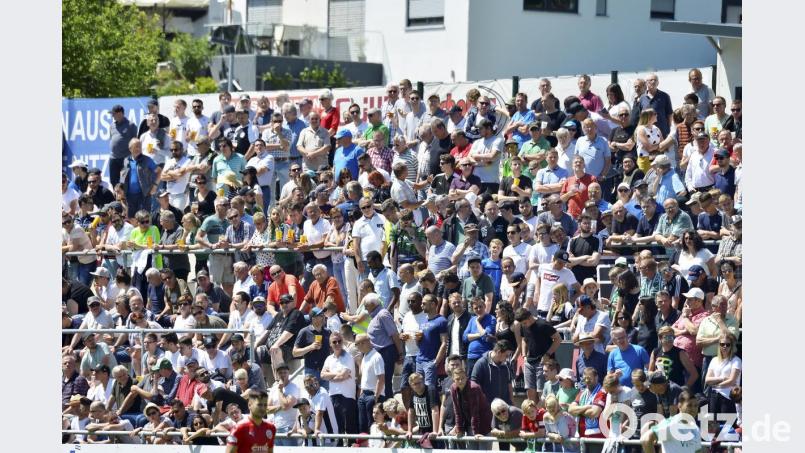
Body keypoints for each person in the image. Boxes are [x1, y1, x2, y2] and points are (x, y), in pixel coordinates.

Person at [516, 307, 561, 403]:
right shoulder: (523, 326)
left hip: (543, 363)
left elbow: (558, 339)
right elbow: (524, 339)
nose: (524, 325)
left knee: (543, 394)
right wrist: (524, 355)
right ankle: (532, 416)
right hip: (529, 362)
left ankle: (543, 416)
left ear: (529, 317)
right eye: (522, 324)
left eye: (524, 323)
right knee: (530, 392)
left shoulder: (543, 324)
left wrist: (547, 354)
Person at [640, 388, 701, 453]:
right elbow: (646, 439)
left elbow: (697, 451)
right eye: (689, 405)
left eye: (696, 406)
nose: (693, 409)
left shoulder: (695, 428)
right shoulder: (671, 424)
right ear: (679, 406)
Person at [225, 389, 276, 453]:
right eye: (259, 405)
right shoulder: (239, 428)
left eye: (265, 405)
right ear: (249, 405)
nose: (263, 408)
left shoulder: (271, 428)